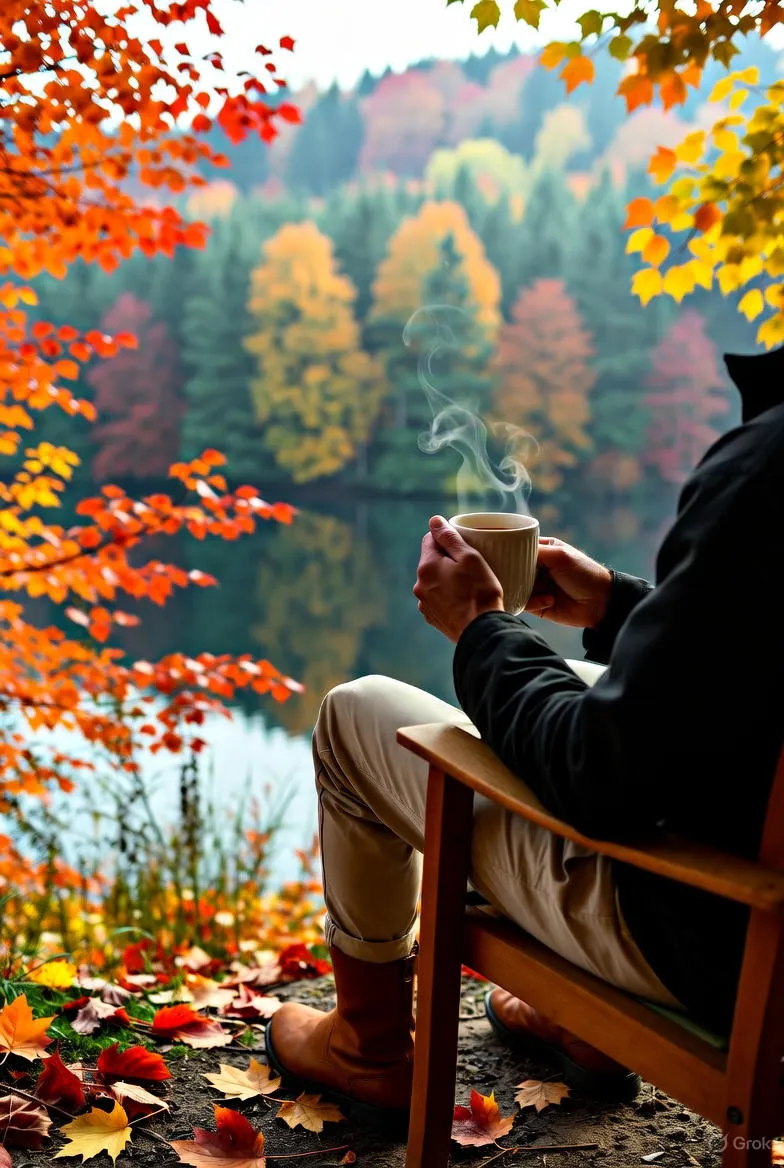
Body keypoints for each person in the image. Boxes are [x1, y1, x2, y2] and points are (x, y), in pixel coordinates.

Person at [265, 346, 784, 1127]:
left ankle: (367, 1052)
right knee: (566, 689)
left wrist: (479, 632)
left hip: (708, 942)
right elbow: (744, 673)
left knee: (354, 714)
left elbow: (597, 774)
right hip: (740, 897)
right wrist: (617, 607)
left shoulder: (766, 473)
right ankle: (583, 1029)